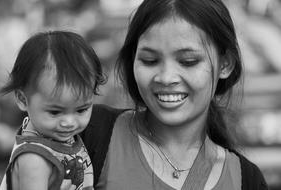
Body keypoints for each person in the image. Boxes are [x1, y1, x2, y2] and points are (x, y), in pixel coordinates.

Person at [81, 0, 269, 190]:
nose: (166, 77)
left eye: (188, 61)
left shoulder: (246, 180)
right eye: (150, 60)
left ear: (225, 64)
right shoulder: (85, 132)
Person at [0, 30, 105, 190]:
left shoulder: (49, 133)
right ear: (22, 99)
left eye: (81, 110)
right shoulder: (34, 160)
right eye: (55, 112)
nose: (69, 122)